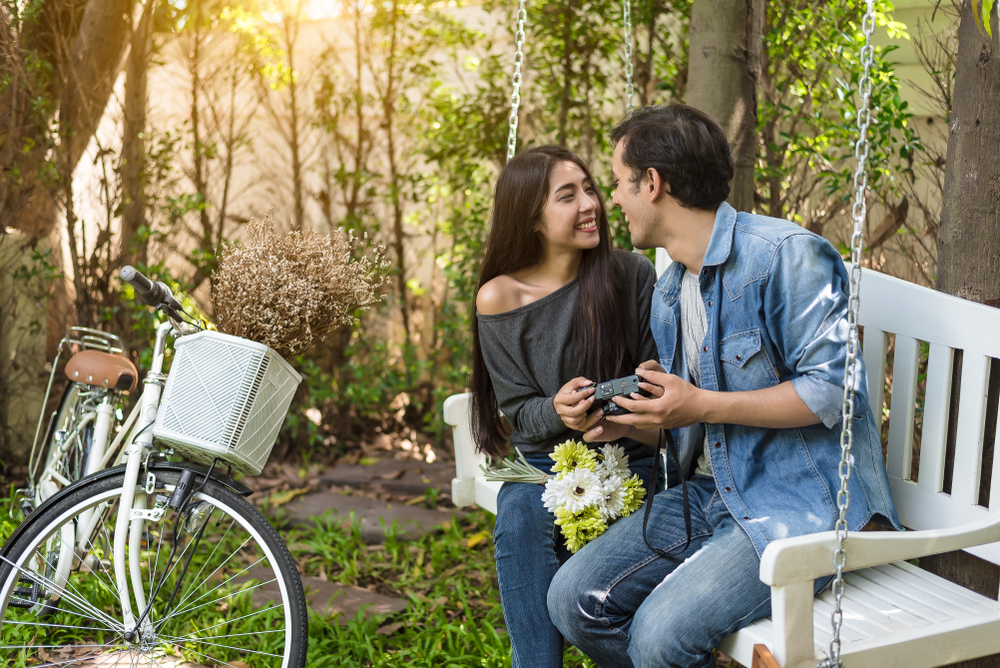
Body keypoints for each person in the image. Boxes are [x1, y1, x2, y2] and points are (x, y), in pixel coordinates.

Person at [546, 105, 901, 668]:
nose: (613, 199)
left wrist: (702, 403)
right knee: (573, 600)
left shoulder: (785, 256)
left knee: (659, 639)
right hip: (712, 493)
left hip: (800, 504)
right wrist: (626, 421)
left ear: (654, 184)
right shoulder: (669, 289)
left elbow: (833, 391)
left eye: (617, 183)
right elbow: (694, 415)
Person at [471, 145, 661, 668]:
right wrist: (558, 411)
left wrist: (617, 411)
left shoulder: (629, 274)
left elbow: (655, 379)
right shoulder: (500, 296)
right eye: (567, 195)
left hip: (628, 456)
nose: (590, 204)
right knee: (520, 518)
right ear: (532, 218)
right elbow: (519, 412)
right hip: (540, 464)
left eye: (591, 189)